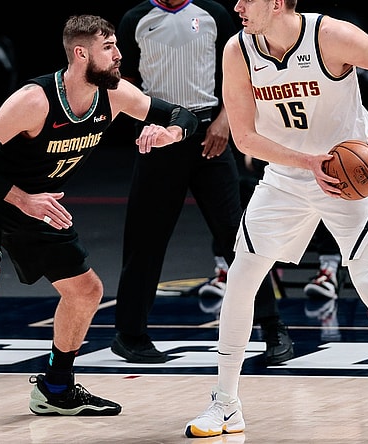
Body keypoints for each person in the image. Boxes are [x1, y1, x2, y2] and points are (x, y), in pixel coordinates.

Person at [0, 15, 199, 444]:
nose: (119, 55)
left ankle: (56, 387)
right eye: (109, 47)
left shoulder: (115, 95)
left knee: (86, 291)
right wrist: (22, 199)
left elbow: (182, 113)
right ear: (81, 53)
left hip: (36, 200)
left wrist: (171, 133)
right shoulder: (35, 100)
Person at [184, 1, 368, 441]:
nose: (237, 6)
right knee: (242, 276)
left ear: (276, 3)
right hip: (288, 176)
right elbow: (245, 136)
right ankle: (226, 404)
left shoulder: (329, 35)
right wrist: (307, 163)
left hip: (349, 178)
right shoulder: (238, 49)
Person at [111, 0, 293, 366]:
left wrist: (225, 121)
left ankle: (272, 326)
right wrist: (139, 120)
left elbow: (240, 74)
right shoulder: (135, 19)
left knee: (238, 238)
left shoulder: (215, 15)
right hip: (160, 136)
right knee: (144, 240)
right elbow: (123, 83)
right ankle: (130, 335)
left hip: (210, 136)